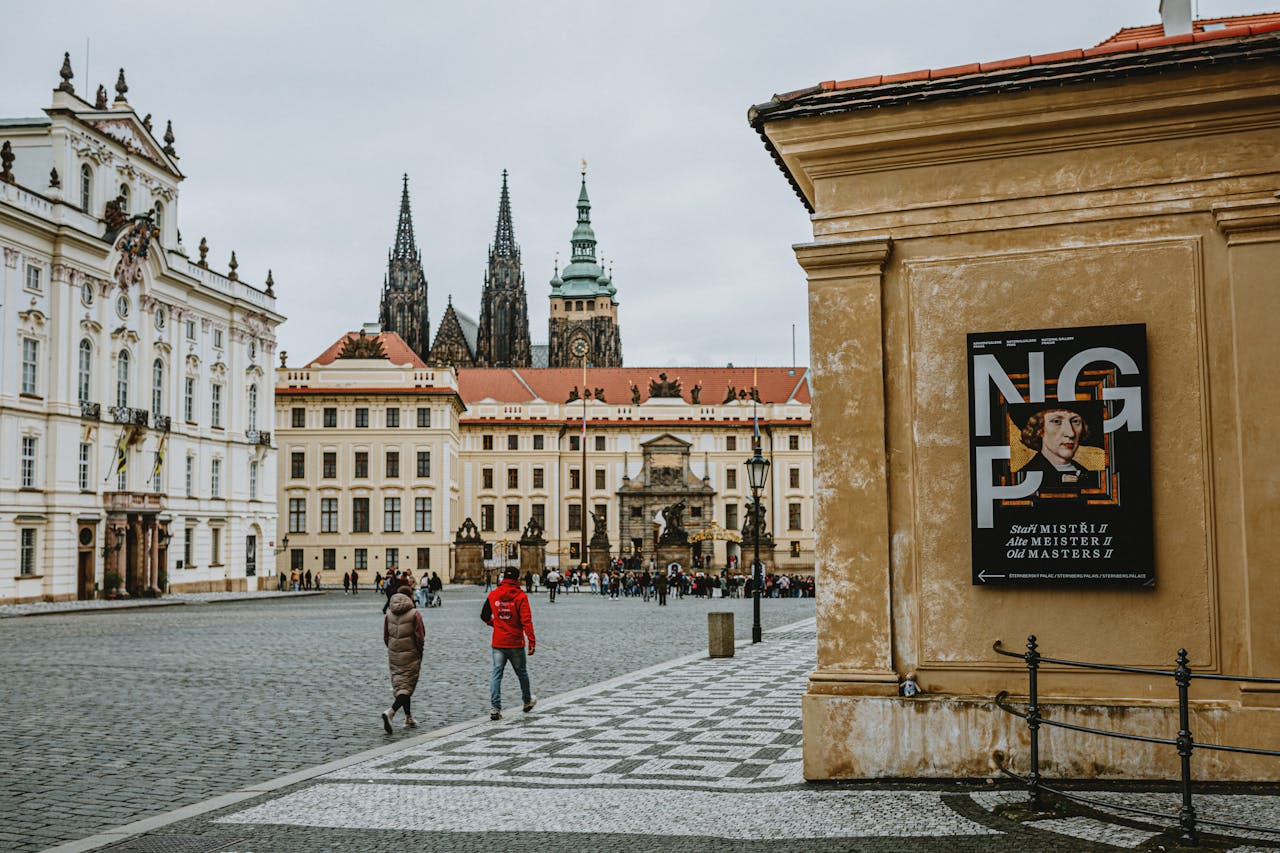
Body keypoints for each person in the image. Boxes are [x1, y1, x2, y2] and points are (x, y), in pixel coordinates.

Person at [481, 566, 537, 721]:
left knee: (496, 674)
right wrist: (531, 641)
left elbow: (484, 615)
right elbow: (526, 620)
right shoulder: (520, 596)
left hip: (499, 642)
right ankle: (527, 701)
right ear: (517, 579)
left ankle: (495, 708)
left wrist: (494, 624)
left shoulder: (493, 594)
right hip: (516, 642)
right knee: (522, 673)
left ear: (504, 577)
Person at [1014, 403, 1099, 495]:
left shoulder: (1091, 475)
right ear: (1039, 429)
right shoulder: (1024, 478)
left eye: (1075, 421)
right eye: (1056, 421)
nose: (1071, 433)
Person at [381, 584, 424, 732]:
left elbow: (385, 636)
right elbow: (420, 636)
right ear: (410, 596)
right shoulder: (414, 614)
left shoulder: (388, 614)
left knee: (402, 684)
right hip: (410, 653)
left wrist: (393, 649)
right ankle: (391, 712)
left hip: (394, 654)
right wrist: (419, 652)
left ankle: (408, 717)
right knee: (407, 686)